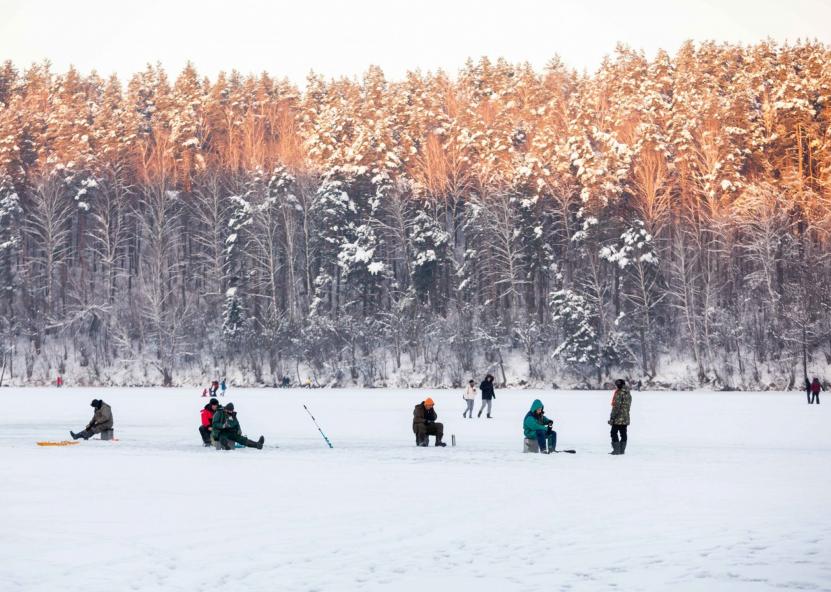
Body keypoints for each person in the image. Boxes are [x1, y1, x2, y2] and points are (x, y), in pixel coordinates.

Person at [609, 379, 632, 455]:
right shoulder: (628, 393)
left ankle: (617, 450)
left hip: (618, 417)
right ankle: (622, 450)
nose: (617, 385)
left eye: (618, 384)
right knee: (623, 433)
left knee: (613, 432)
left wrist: (612, 417)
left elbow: (616, 407)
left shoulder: (619, 393)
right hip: (625, 416)